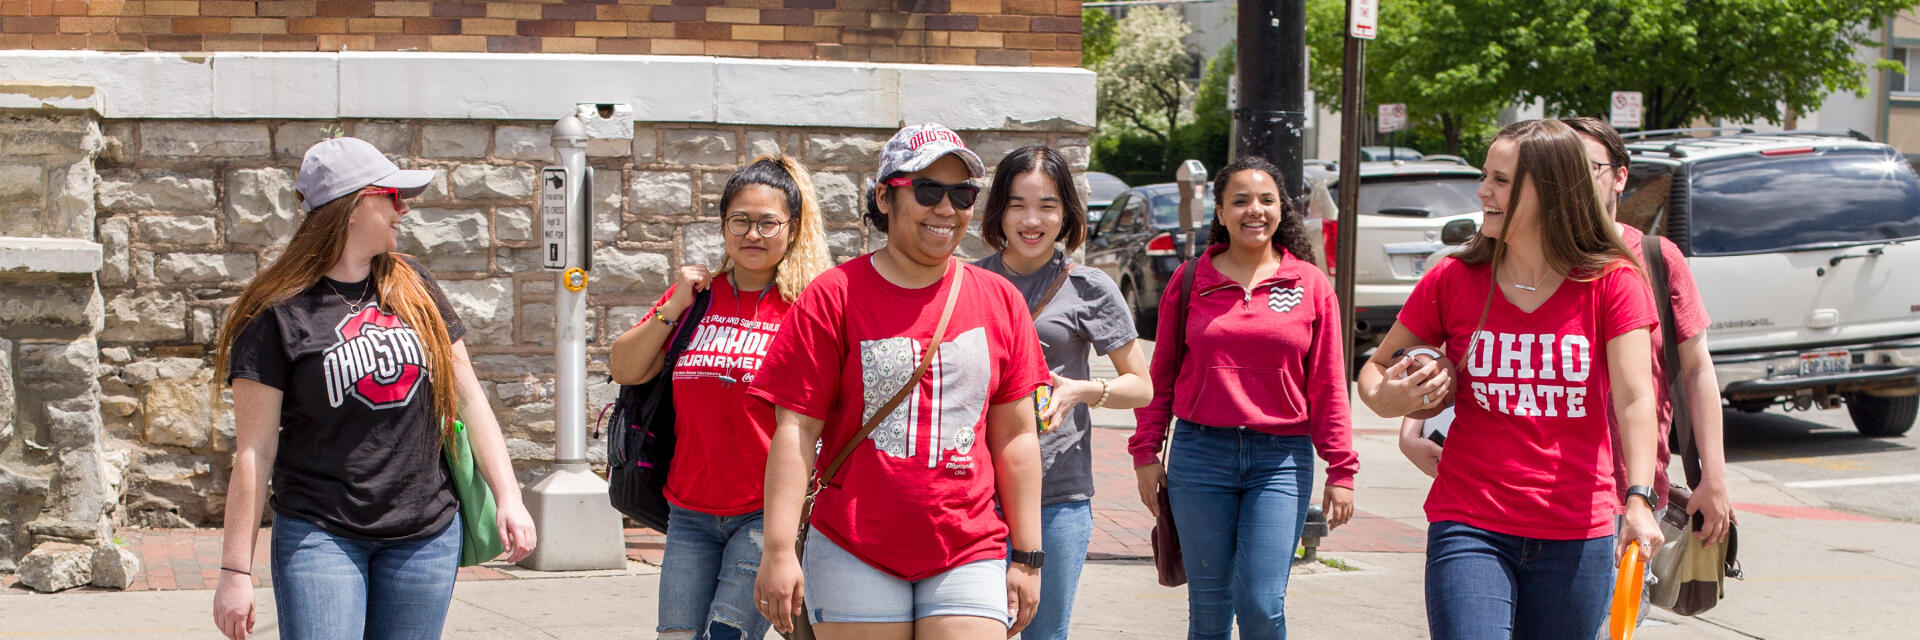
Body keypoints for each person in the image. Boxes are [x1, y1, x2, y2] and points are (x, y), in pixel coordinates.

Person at [210, 137, 536, 640]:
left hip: (425, 535)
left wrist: (509, 497)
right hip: (321, 534)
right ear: (357, 204)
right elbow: (255, 450)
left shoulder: (414, 285)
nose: (402, 210)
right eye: (392, 197)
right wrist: (235, 572)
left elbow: (469, 398)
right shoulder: (276, 312)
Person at [1357, 119, 1665, 640]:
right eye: (1486, 176)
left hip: (1577, 529)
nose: (1482, 191)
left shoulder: (1613, 282)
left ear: (1550, 191)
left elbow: (1637, 399)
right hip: (1470, 520)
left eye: (1500, 180)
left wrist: (1639, 499)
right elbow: (1376, 369)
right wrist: (1389, 398)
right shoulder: (1452, 279)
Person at [750, 123, 1051, 640]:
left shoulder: (1000, 300)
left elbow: (1017, 437)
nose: (946, 209)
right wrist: (778, 551)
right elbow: (795, 430)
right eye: (928, 189)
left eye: (962, 194)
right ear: (886, 198)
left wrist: (1026, 556)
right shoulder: (833, 296)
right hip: (853, 544)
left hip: (968, 546)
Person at [1128, 155, 1359, 640]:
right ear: (1220, 212)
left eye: (1266, 200)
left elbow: (1329, 383)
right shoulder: (1191, 279)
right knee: (1209, 612)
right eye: (1240, 201)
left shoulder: (1310, 284)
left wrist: (1342, 469)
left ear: (1282, 210)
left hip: (1281, 461)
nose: (1254, 210)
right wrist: (1145, 451)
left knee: (1261, 603)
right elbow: (1161, 375)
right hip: (1200, 455)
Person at [610, 155, 833, 640]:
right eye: (740, 221)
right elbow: (624, 367)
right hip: (689, 512)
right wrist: (674, 306)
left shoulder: (805, 308)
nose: (753, 234)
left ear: (792, 230)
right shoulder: (696, 300)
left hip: (764, 512)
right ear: (723, 225)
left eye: (768, 223)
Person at [972, 145, 1153, 640]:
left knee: (1042, 633)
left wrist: (1083, 391)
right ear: (998, 211)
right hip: (974, 493)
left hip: (1058, 493)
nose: (1033, 220)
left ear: (1066, 213)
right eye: (1018, 204)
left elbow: (1141, 386)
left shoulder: (1089, 287)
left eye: (1047, 205)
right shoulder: (969, 282)